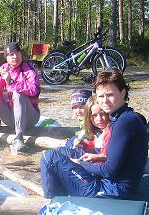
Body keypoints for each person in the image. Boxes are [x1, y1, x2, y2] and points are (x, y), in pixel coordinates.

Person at [41, 68, 148, 199]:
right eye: (101, 96)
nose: (105, 101)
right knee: (63, 151)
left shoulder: (124, 122)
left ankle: (53, 205)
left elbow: (109, 171)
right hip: (111, 185)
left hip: (111, 192)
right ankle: (62, 198)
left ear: (123, 93)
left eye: (110, 95)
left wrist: (81, 164)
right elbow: (118, 158)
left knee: (50, 157)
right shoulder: (120, 118)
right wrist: (96, 157)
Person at [0, 42, 41, 152]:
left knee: (18, 93)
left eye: (17, 53)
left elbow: (35, 91)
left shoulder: (29, 70)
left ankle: (19, 137)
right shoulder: (4, 68)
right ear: (6, 57)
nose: (15, 57)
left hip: (30, 116)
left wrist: (11, 81)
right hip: (11, 117)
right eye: (11, 54)